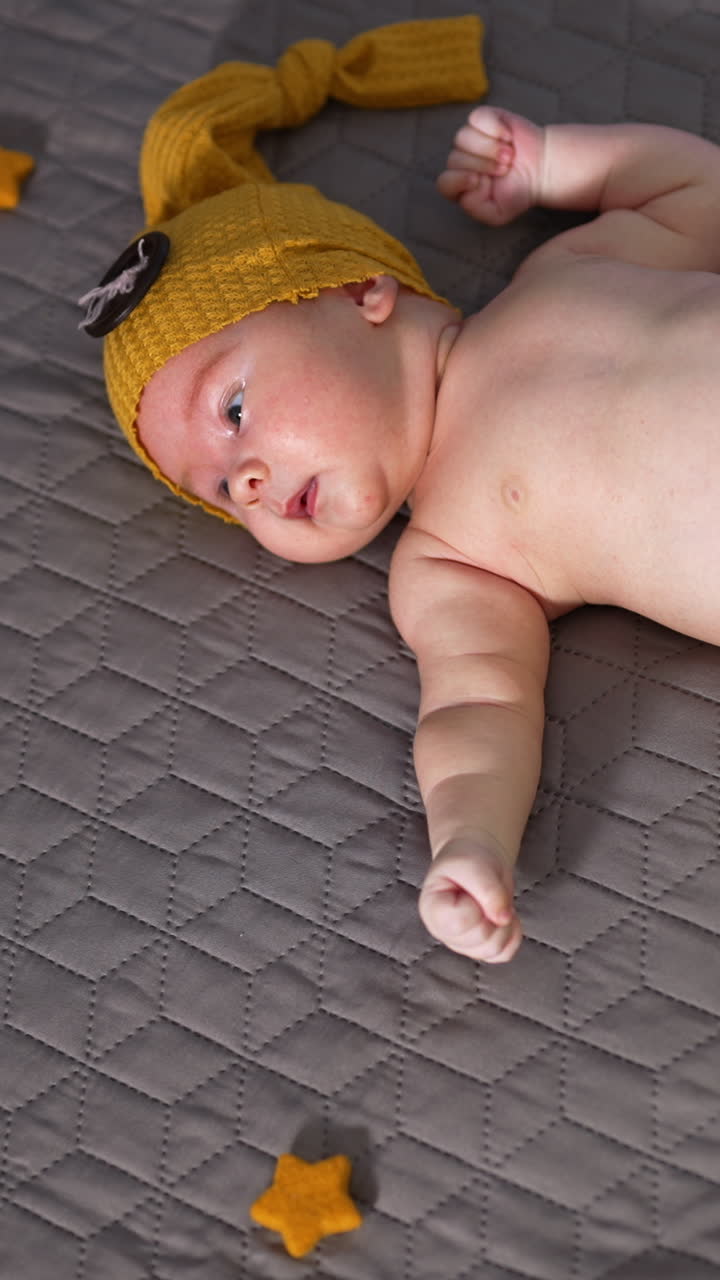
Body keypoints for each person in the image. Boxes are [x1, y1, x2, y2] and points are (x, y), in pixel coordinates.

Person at [80, 19, 720, 964]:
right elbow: (478, 709)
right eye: (216, 492)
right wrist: (469, 839)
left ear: (356, 293)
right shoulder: (449, 558)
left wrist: (551, 167)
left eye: (237, 405)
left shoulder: (561, 273)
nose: (246, 480)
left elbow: (697, 192)